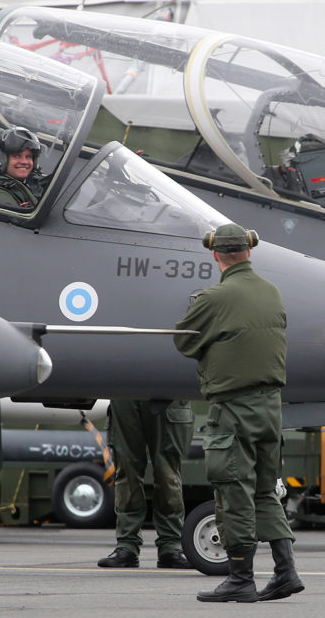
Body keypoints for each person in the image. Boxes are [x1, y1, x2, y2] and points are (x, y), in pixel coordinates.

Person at [173, 223, 304, 603]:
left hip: (233, 409)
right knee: (265, 491)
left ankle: (240, 576)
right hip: (270, 407)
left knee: (233, 492)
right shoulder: (272, 291)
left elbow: (184, 342)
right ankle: (285, 570)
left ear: (216, 255)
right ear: (249, 251)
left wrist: (198, 306)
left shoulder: (214, 298)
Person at [97, 399, 194, 569]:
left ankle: (170, 545)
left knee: (167, 474)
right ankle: (127, 545)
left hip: (166, 390)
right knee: (126, 471)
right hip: (125, 389)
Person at [0, 126, 46, 208]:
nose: (24, 162)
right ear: (0, 159)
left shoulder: (25, 184)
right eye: (17, 156)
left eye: (28, 157)